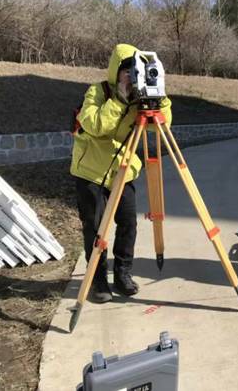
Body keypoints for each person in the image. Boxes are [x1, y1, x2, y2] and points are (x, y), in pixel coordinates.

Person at [70, 43, 172, 303]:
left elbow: (160, 126)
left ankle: (123, 274)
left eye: (136, 70)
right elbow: (95, 126)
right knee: (95, 229)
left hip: (123, 171)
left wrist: (158, 96)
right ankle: (98, 280)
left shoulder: (142, 95)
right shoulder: (98, 92)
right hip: (91, 173)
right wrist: (119, 99)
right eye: (127, 70)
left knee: (128, 224)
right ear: (116, 71)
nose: (132, 76)